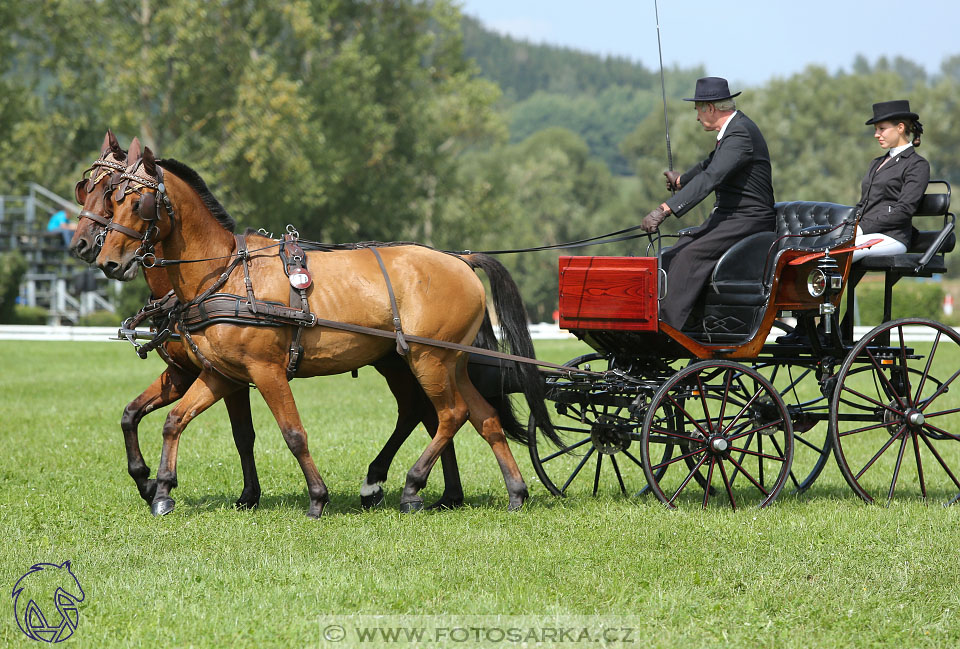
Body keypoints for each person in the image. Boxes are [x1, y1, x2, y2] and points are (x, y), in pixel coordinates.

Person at [640, 76, 776, 330]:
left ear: (711, 108)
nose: (696, 117)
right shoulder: (734, 130)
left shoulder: (741, 133)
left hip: (749, 219)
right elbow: (709, 164)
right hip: (730, 216)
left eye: (698, 110)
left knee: (690, 255)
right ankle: (674, 317)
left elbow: (712, 177)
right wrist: (681, 180)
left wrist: (664, 210)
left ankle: (669, 327)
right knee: (672, 252)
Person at [851, 100, 929, 262]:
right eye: (875, 130)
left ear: (900, 128)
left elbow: (904, 210)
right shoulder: (876, 163)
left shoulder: (916, 165)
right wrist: (846, 226)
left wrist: (862, 229)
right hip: (865, 234)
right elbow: (862, 204)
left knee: (840, 251)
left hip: (893, 236)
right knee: (821, 247)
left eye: (882, 129)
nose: (876, 134)